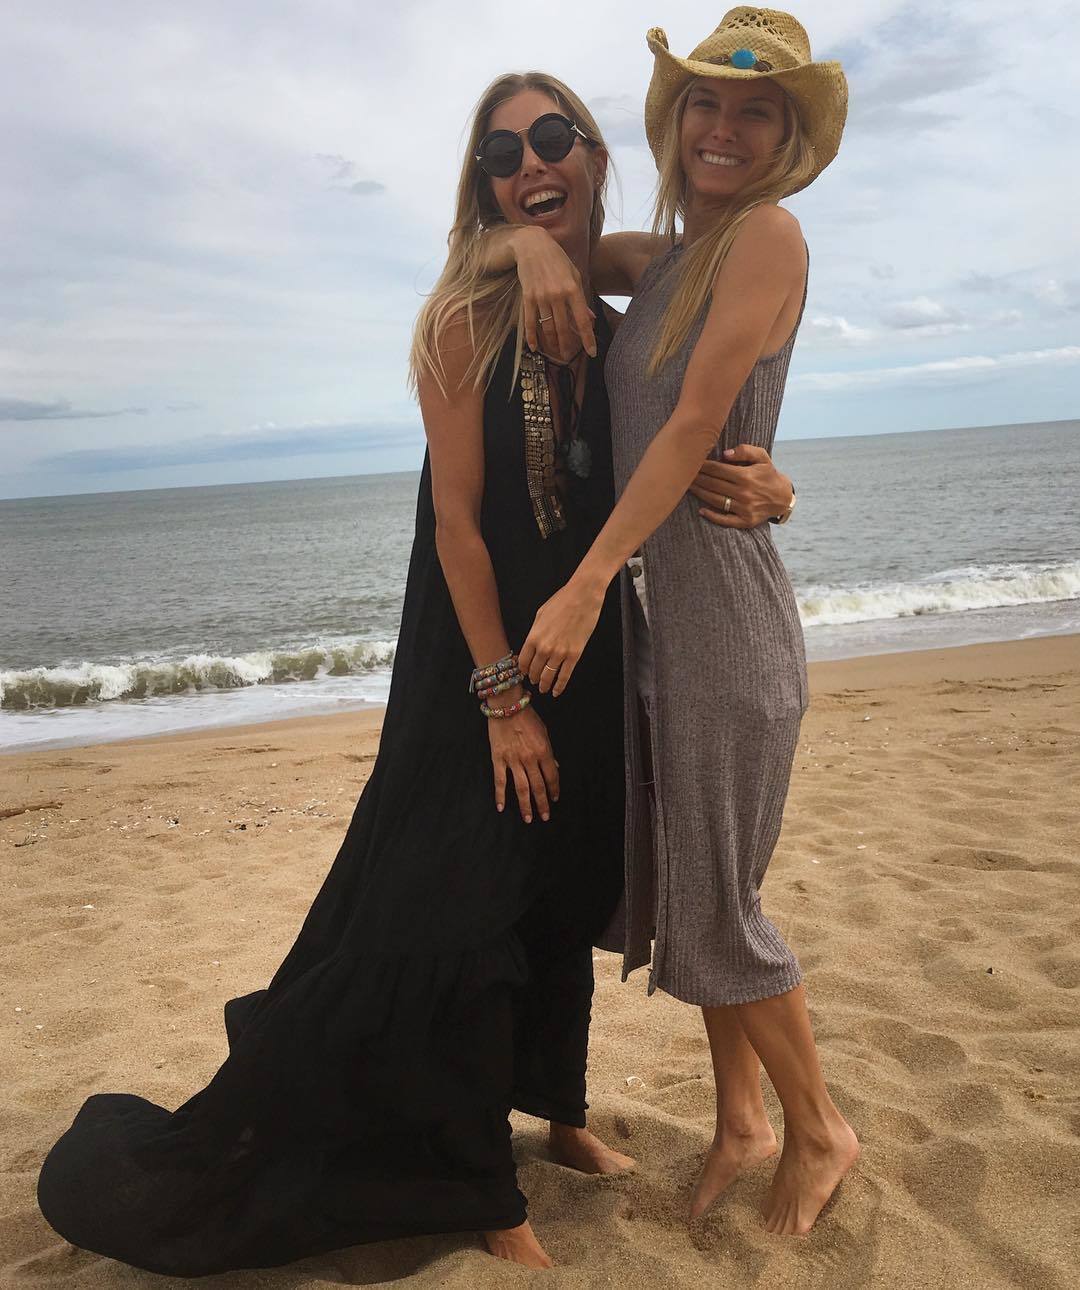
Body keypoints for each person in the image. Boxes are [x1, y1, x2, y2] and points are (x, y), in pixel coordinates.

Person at [36, 71, 640, 1277]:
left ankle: (560, 1115)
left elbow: (699, 270)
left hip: (589, 645)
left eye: (552, 138)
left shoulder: (614, 323)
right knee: (463, 908)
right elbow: (459, 526)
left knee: (560, 886)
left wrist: (754, 475)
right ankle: (480, 1185)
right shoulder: (461, 322)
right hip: (476, 665)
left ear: (593, 152)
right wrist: (500, 698)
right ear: (482, 185)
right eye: (502, 154)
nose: (530, 162)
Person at [491, 8, 861, 1237]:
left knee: (719, 905)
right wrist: (527, 244)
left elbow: (701, 422)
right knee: (695, 885)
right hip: (669, 624)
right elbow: (530, 231)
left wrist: (590, 578)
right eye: (707, 101)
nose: (725, 127)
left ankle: (820, 1129)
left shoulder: (767, 235)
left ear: (786, 137)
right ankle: (741, 1122)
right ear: (674, 118)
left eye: (756, 111)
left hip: (725, 623)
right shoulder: (665, 259)